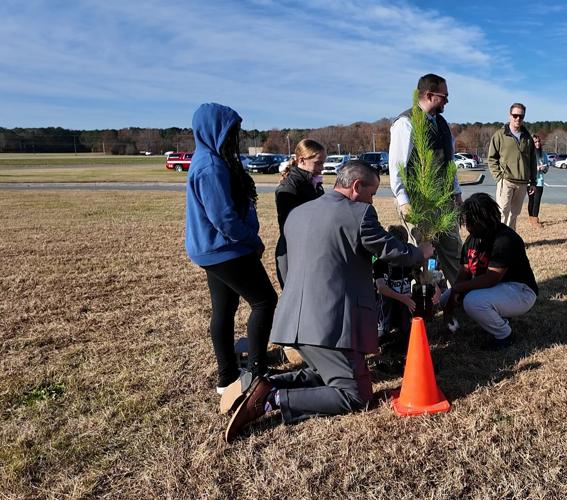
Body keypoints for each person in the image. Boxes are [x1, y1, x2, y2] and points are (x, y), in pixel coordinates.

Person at [224, 160, 433, 442]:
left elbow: (283, 262)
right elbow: (388, 249)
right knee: (355, 394)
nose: (372, 200)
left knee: (323, 372)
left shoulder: (298, 213)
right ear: (357, 186)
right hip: (328, 322)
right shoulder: (360, 214)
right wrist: (420, 252)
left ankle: (267, 383)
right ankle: (271, 399)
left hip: (293, 319)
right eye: (371, 193)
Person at [184, 103, 278, 394]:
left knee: (224, 308)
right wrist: (252, 240)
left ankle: (227, 378)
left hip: (213, 250)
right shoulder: (210, 167)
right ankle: (257, 373)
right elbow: (223, 218)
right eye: (231, 131)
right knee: (264, 301)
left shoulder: (209, 159)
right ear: (214, 131)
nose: (235, 138)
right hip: (226, 249)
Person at [389, 73, 463, 287]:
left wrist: (456, 193)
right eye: (444, 96)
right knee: (426, 255)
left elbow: (449, 163)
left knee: (453, 250)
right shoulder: (406, 123)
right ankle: (429, 297)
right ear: (430, 95)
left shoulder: (442, 123)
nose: (447, 101)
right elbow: (397, 167)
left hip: (445, 200)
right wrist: (404, 201)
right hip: (418, 202)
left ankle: (459, 296)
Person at [442, 193, 538, 350]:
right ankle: (494, 314)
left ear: (485, 219)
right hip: (496, 289)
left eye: (471, 222)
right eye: (466, 222)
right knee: (445, 299)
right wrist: (449, 307)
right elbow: (464, 272)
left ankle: (504, 335)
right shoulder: (472, 239)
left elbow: (491, 278)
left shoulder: (505, 239)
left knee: (473, 301)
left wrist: (459, 289)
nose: (468, 227)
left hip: (520, 291)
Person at [274, 139, 326, 285]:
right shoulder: (289, 188)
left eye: (323, 163)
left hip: (311, 248)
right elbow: (288, 225)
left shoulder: (313, 184)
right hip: (294, 252)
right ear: (302, 160)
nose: (322, 168)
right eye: (318, 163)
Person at [488, 103, 536, 230]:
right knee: (502, 212)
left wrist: (533, 181)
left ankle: (510, 240)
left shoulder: (528, 138)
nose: (518, 119)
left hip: (522, 182)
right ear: (510, 116)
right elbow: (491, 158)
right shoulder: (499, 135)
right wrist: (499, 177)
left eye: (521, 116)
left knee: (514, 214)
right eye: (515, 115)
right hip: (506, 180)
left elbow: (532, 161)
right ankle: (499, 240)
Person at [374, 225, 416, 344]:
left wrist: (436, 288)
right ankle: (383, 327)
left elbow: (423, 277)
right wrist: (403, 298)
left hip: (404, 307)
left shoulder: (408, 261)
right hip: (386, 309)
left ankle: (403, 327)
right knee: (381, 339)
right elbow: (381, 288)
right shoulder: (380, 262)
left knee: (407, 335)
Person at [526, 134, 548, 228]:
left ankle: (535, 219)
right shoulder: (529, 153)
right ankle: (531, 218)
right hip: (530, 181)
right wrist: (536, 168)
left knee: (537, 201)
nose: (538, 143)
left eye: (539, 141)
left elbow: (547, 168)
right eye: (535, 142)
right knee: (531, 201)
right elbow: (526, 167)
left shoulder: (543, 154)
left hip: (540, 181)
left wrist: (544, 168)